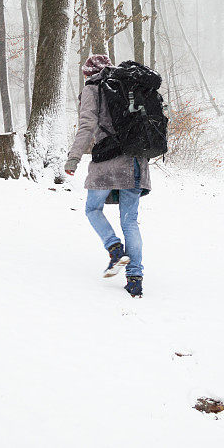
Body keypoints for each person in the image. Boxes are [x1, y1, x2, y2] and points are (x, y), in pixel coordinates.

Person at [64, 54, 151, 297]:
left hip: (108, 162)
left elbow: (87, 125)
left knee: (93, 209)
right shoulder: (129, 86)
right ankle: (135, 278)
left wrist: (74, 157)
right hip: (137, 161)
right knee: (130, 221)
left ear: (88, 73)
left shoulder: (93, 88)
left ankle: (114, 249)